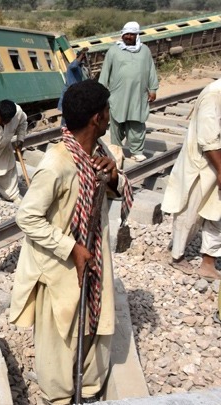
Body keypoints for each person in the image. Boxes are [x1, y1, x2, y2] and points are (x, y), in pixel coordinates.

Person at [9, 80, 133, 404]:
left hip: (94, 257)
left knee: (96, 324)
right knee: (59, 335)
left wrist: (115, 177)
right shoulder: (57, 164)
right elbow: (27, 217)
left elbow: (115, 190)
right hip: (59, 264)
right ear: (97, 118)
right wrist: (72, 248)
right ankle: (59, 397)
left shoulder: (100, 154)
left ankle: (90, 390)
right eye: (107, 111)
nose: (110, 116)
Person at [161, 79, 221, 281]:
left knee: (217, 213)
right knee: (190, 212)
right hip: (203, 164)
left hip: (217, 163)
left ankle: (208, 262)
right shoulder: (213, 95)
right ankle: (177, 256)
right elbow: (209, 140)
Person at [98, 21, 159, 163]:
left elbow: (151, 70)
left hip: (138, 95)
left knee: (137, 122)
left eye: (132, 34)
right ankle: (116, 150)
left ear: (137, 35)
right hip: (118, 95)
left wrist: (153, 89)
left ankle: (137, 151)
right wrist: (101, 92)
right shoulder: (113, 51)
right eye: (126, 34)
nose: (129, 37)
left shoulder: (145, 50)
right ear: (122, 35)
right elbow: (105, 72)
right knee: (116, 123)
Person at [58, 47, 89, 126]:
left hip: (75, 92)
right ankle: (64, 129)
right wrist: (81, 54)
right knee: (67, 113)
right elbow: (74, 66)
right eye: (83, 57)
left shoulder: (80, 67)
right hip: (69, 92)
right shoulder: (73, 65)